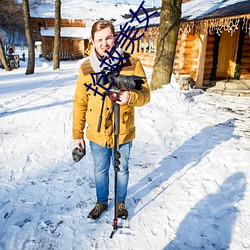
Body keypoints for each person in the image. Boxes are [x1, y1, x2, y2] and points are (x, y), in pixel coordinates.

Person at [72, 20, 150, 220]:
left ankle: (121, 202)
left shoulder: (131, 63)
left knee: (122, 168)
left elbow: (145, 95)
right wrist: (77, 134)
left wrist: (130, 97)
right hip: (97, 132)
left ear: (114, 38)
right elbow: (80, 102)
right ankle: (101, 202)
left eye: (108, 38)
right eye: (100, 39)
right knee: (100, 170)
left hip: (123, 129)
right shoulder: (86, 68)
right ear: (93, 41)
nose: (104, 43)